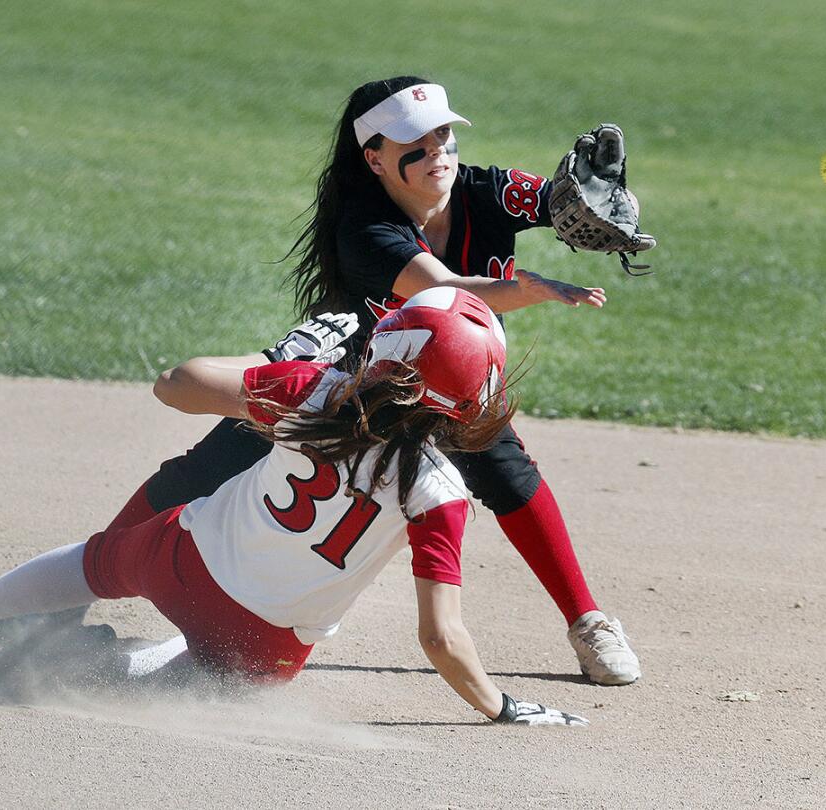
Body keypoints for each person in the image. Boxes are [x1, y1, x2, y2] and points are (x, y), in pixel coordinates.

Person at [101, 76, 642, 684]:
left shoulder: (486, 189)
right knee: (214, 464)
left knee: (507, 472)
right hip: (354, 379)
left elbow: (553, 200)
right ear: (375, 158)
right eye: (415, 140)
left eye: (443, 133)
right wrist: (529, 290)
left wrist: (590, 203)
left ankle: (589, 621)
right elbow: (440, 289)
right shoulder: (363, 228)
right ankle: (77, 582)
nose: (436, 149)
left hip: (451, 378)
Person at [0, 287, 588, 725]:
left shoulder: (315, 391)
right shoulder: (440, 493)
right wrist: (502, 706)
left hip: (184, 563)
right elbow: (441, 639)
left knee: (101, 562)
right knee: (195, 676)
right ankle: (80, 674)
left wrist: (284, 357)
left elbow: (175, 385)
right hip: (266, 650)